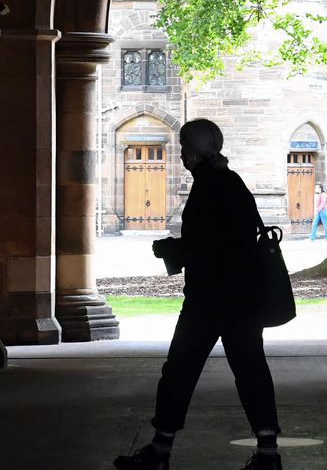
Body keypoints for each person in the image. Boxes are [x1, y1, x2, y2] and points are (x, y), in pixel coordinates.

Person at [114, 119, 283, 470]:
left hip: (209, 300)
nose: (180, 156)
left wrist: (171, 250)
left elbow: (209, 246)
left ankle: (160, 451)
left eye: (182, 148)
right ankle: (268, 454)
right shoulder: (233, 181)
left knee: (179, 372)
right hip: (242, 298)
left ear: (191, 153)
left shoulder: (208, 186)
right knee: (251, 372)